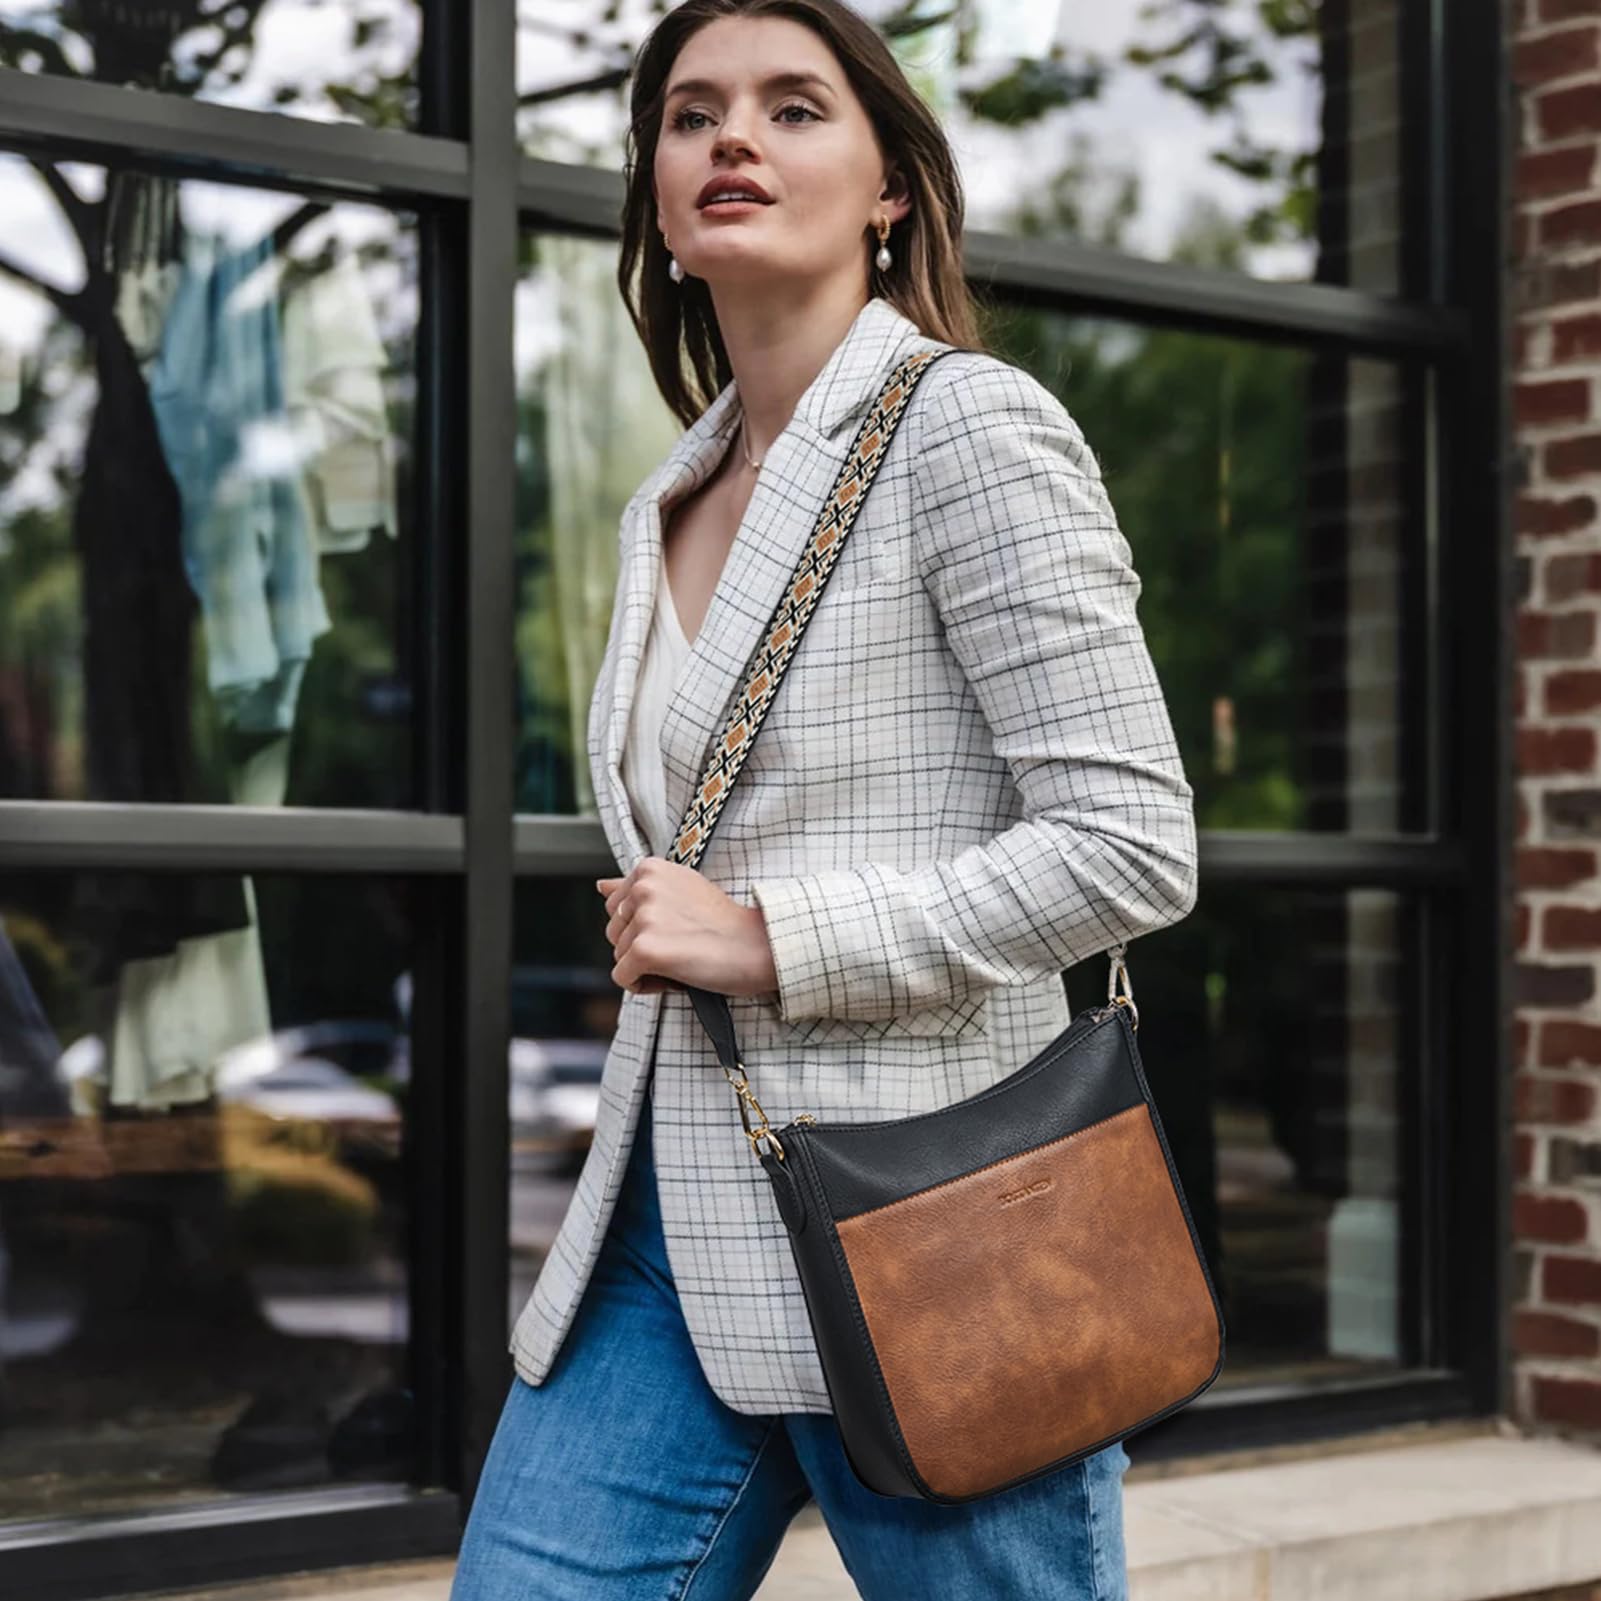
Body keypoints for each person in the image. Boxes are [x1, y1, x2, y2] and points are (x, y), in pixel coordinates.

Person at [452, 2, 1198, 1596]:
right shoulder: (672, 492)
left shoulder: (968, 428)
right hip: (665, 1224)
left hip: (941, 1230)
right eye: (690, 115)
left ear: (889, 190)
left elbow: (1129, 840)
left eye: (793, 108)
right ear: (660, 204)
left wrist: (770, 937)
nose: (731, 136)